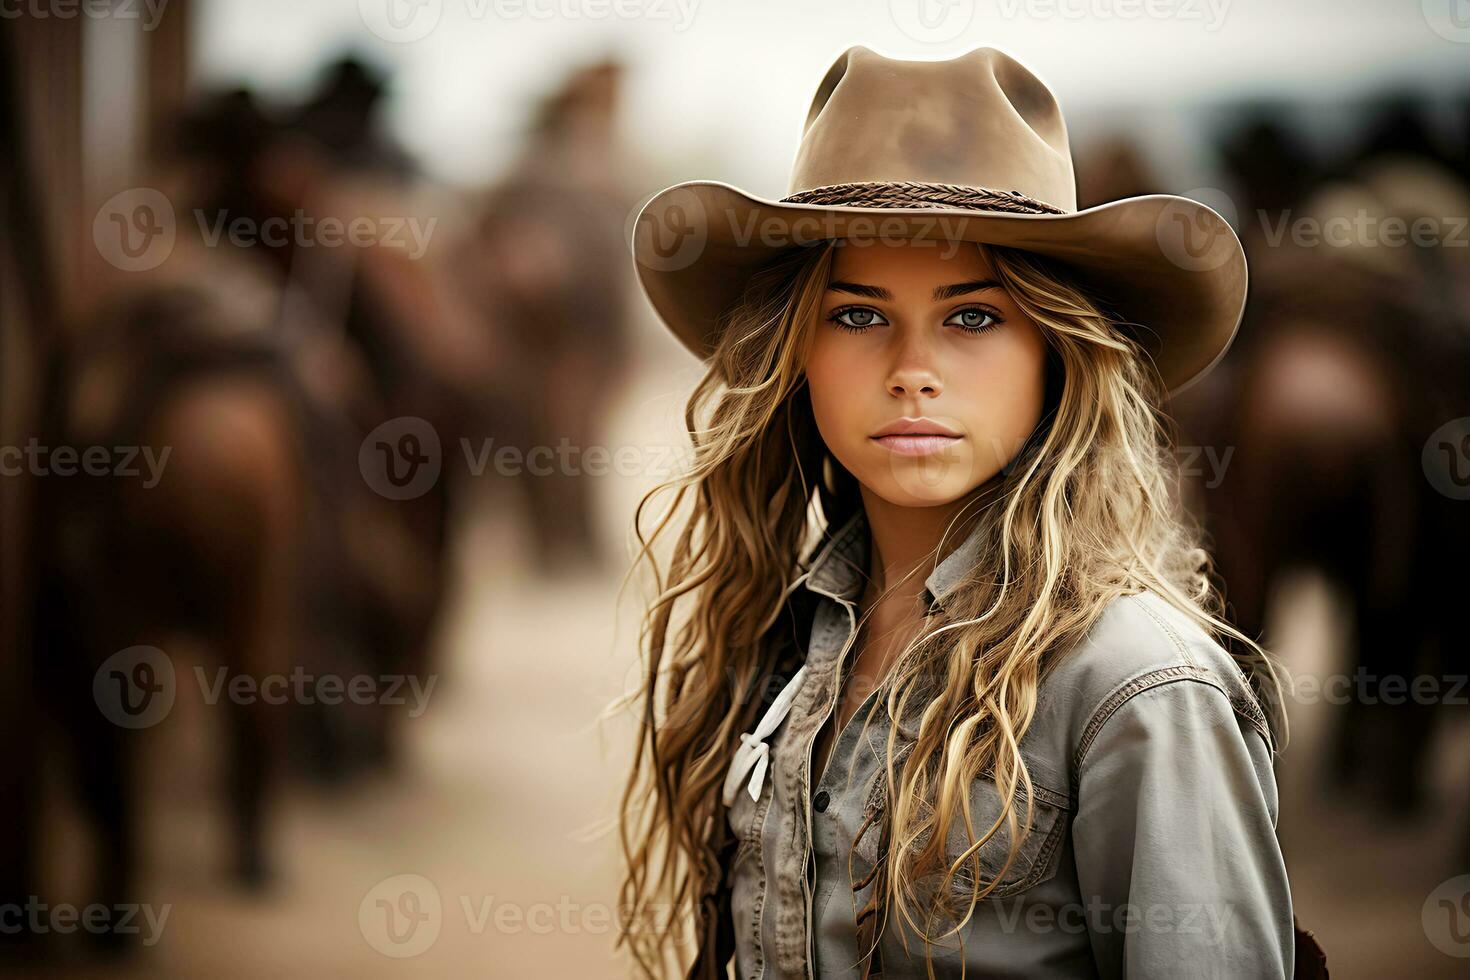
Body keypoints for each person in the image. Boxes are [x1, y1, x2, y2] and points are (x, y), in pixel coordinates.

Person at [615, 45, 1313, 979]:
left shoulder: (1141, 687)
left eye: (973, 318)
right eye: (858, 315)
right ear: (796, 352)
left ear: (1056, 353)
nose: (913, 369)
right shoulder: (796, 636)